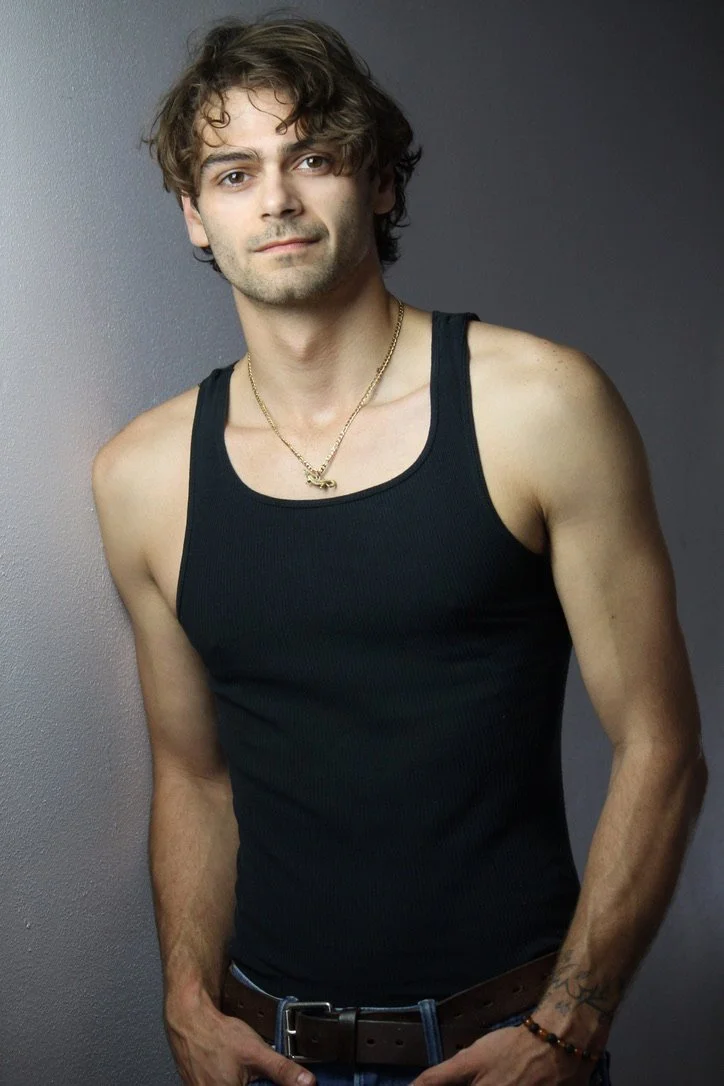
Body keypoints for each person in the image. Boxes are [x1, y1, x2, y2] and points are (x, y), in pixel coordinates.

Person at [92, 12, 708, 1086]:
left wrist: (567, 1029)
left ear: (378, 183)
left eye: (313, 158)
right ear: (194, 215)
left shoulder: (538, 404)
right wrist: (185, 1000)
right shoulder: (140, 477)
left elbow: (662, 749)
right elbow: (194, 777)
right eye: (233, 174)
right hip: (268, 1054)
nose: (276, 198)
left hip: (508, 1046)